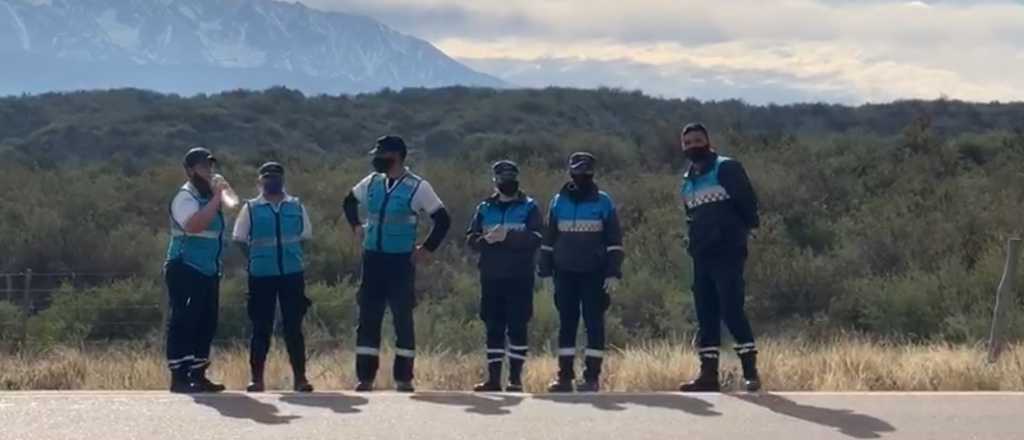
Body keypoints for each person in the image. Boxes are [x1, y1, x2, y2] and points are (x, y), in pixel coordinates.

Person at [342, 135, 451, 393]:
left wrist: (427, 249)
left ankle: (404, 378)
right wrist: (356, 226)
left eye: (383, 155)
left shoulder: (417, 187)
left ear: (398, 156)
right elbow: (349, 201)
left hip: (400, 262)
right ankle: (365, 377)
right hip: (373, 259)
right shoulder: (372, 182)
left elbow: (443, 220)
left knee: (402, 318)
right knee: (368, 318)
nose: (377, 160)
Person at [677, 123, 762, 392]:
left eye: (697, 140)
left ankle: (750, 372)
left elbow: (747, 203)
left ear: (708, 140)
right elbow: (691, 215)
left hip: (727, 251)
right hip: (701, 254)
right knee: (706, 313)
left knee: (731, 309)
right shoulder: (687, 178)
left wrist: (740, 234)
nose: (693, 146)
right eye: (688, 142)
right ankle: (708, 375)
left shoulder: (726, 167)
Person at [538, 152, 625, 393]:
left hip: (594, 274)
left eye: (586, 171)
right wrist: (545, 272)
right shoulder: (558, 201)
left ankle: (592, 378)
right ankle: (564, 377)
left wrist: (612, 272)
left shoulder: (604, 202)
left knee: (594, 324)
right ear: (570, 172)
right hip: (564, 273)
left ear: (593, 173)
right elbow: (548, 239)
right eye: (577, 171)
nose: (581, 176)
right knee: (566, 324)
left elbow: (614, 241)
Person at [232, 162, 315, 393]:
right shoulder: (251, 208)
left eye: (275, 176)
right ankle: (257, 379)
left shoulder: (296, 206)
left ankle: (300, 379)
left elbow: (306, 236)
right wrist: (255, 259)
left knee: (293, 328)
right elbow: (239, 238)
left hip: (291, 274)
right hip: (261, 276)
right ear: (260, 181)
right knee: (261, 327)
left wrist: (294, 257)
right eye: (267, 177)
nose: (271, 181)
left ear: (283, 179)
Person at [466, 161, 544, 392]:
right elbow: (471, 238)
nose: (507, 182)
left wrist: (508, 237)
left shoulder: (529, 207)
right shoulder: (484, 207)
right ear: (495, 181)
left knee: (518, 327)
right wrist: (484, 240)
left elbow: (538, 237)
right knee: (493, 327)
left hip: (519, 276)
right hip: (491, 276)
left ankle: (515, 380)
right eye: (503, 178)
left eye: (511, 177)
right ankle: (493, 379)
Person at [164, 146, 228, 394]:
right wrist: (216, 199)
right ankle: (179, 376)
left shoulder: (208, 195)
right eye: (203, 166)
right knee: (184, 320)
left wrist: (217, 196)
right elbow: (194, 225)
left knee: (206, 322)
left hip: (209, 269)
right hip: (185, 266)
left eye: (210, 166)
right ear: (190, 170)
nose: (208, 171)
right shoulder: (185, 196)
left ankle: (198, 374)